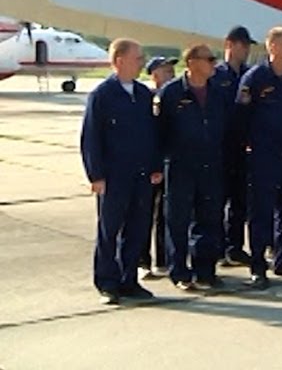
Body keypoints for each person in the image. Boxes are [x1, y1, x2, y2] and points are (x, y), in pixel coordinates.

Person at [80, 38, 163, 304]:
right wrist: (96, 175)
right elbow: (91, 137)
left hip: (141, 175)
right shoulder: (102, 95)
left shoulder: (142, 94)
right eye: (137, 58)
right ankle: (107, 281)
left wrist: (155, 167)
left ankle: (129, 280)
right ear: (119, 61)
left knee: (137, 229)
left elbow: (152, 135)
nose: (141, 62)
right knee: (110, 231)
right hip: (114, 176)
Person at [234, 27, 282, 289]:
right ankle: (258, 265)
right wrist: (247, 147)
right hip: (263, 155)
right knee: (261, 211)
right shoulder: (255, 78)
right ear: (274, 47)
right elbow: (241, 117)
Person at [156, 44, 226, 290]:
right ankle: (179, 272)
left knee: (209, 218)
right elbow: (159, 132)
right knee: (178, 220)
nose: (214, 64)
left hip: (211, 165)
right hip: (180, 166)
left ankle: (205, 270)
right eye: (209, 59)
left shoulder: (218, 92)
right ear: (193, 62)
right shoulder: (171, 93)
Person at [213, 25, 255, 267]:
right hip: (222, 146)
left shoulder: (248, 75)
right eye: (243, 45)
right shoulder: (217, 75)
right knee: (218, 200)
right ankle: (217, 247)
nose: (247, 50)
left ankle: (235, 246)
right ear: (230, 44)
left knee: (240, 200)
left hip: (242, 145)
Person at [138, 56, 176, 280]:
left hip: (167, 162)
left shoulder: (175, 96)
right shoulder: (149, 98)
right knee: (144, 213)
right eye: (166, 71)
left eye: (172, 70)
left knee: (165, 214)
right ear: (154, 75)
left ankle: (164, 259)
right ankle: (143, 261)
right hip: (148, 163)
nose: (171, 74)